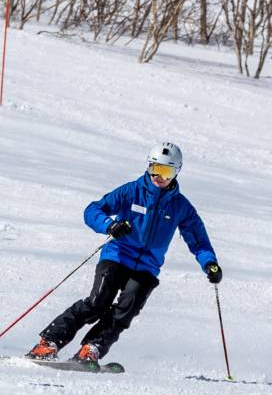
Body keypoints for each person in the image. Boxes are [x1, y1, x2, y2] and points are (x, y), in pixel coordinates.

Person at [27, 142, 222, 363]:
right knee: (97, 303)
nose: (159, 176)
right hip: (116, 256)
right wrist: (109, 226)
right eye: (154, 168)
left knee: (125, 311)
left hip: (147, 267)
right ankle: (48, 342)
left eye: (166, 171)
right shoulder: (131, 191)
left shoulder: (181, 207)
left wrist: (210, 263)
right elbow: (92, 210)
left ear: (177, 172)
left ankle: (91, 349)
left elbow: (198, 240)